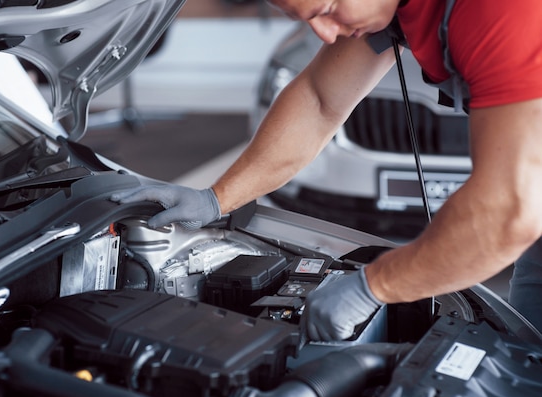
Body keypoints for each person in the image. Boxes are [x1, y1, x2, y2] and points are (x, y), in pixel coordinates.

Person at [112, 0, 542, 340]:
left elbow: (505, 215)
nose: (325, 31)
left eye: (329, 8)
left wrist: (373, 287)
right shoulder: (388, 11)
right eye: (308, 18)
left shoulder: (497, 10)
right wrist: (216, 198)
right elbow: (320, 101)